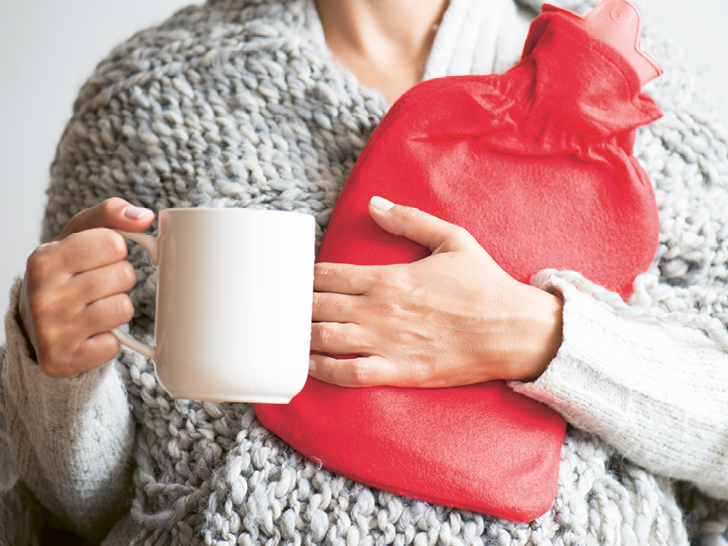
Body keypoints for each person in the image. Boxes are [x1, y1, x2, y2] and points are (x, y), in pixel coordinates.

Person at [1, 0, 727, 544]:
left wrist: (538, 335)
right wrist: (59, 372)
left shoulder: (627, 84)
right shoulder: (146, 98)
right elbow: (89, 511)